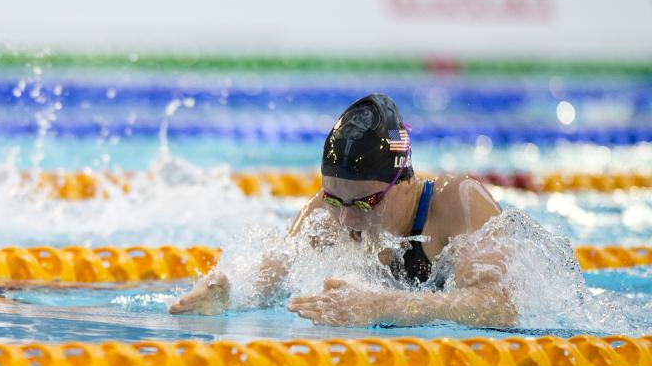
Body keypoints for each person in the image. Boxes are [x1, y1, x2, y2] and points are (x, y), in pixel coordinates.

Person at [168, 93, 515, 327]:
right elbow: (279, 270)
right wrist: (230, 290)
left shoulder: (458, 202)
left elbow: (500, 307)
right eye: (334, 200)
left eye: (366, 202)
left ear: (404, 181)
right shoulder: (325, 212)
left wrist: (386, 306)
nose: (346, 218)